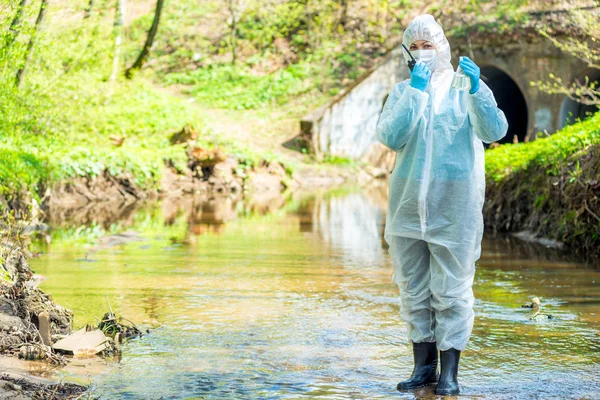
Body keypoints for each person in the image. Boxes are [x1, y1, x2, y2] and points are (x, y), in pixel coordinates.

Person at [376, 14, 508, 395]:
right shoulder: (403, 91)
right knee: (413, 288)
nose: (422, 53)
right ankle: (423, 368)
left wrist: (477, 91)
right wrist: (415, 92)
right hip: (406, 204)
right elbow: (390, 136)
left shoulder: (465, 87)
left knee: (451, 290)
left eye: (427, 45)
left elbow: (495, 131)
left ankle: (449, 373)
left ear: (442, 46)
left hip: (454, 205)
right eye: (414, 47)